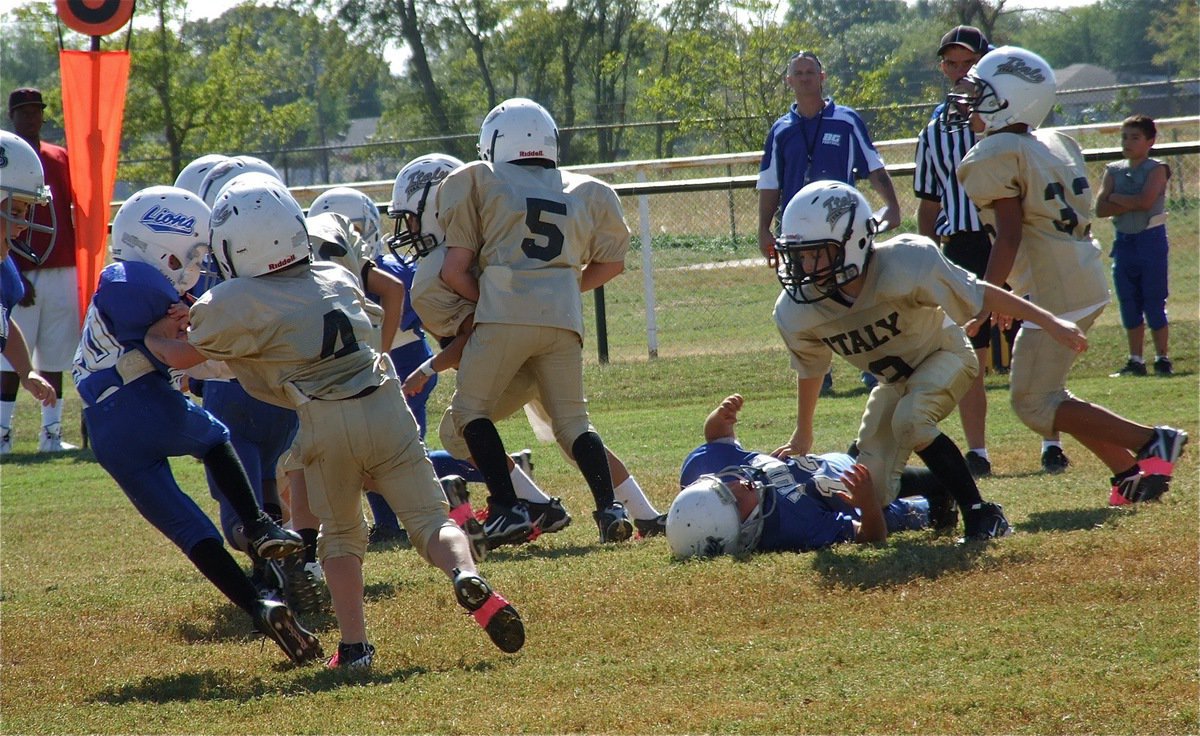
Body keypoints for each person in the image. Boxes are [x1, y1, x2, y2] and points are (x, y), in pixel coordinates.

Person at [144, 176, 524, 670]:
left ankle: (355, 649)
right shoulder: (335, 275)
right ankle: (467, 579)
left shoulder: (233, 299)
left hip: (324, 415)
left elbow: (180, 351)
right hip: (386, 402)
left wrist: (151, 334)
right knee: (432, 520)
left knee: (341, 538)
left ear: (234, 246)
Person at [72, 184, 320, 665]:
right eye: (192, 254)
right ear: (163, 243)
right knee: (215, 436)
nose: (195, 267)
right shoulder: (128, 279)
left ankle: (259, 604)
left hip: (104, 430)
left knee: (189, 531)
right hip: (138, 401)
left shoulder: (128, 284)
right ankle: (259, 523)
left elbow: (182, 351)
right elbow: (178, 347)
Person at [771, 179, 1090, 540]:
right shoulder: (799, 310)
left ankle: (981, 514)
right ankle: (940, 487)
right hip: (897, 381)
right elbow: (812, 367)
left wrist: (1049, 321)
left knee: (911, 420)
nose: (805, 267)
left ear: (855, 241)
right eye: (799, 255)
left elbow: (976, 291)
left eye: (816, 253)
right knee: (869, 491)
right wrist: (803, 431)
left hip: (945, 354)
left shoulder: (906, 262)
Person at [953, 46, 1187, 507]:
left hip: (1054, 287)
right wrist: (1015, 293)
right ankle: (1130, 474)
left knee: (1032, 402)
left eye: (980, 91)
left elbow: (1010, 237)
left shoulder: (996, 153)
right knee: (1048, 392)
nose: (968, 100)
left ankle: (1150, 440)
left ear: (1009, 99)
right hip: (1077, 274)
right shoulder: (1055, 141)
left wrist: (989, 299)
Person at [439, 98, 635, 546]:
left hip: (504, 314)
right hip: (564, 318)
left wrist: (491, 299)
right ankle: (609, 509)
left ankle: (508, 508)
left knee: (470, 413)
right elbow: (612, 264)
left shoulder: (480, 179)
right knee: (572, 421)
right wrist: (559, 288)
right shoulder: (586, 189)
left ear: (495, 143)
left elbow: (454, 270)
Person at [913, 27, 1072, 479]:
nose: (959, 72)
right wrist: (929, 253)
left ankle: (1051, 441)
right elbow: (930, 201)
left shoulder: (1017, 120)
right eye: (951, 64)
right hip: (964, 241)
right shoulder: (934, 130)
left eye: (968, 63)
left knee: (1038, 338)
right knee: (970, 347)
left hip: (1016, 238)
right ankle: (978, 450)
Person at [757, 52, 901, 393]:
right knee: (806, 300)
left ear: (822, 76)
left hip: (842, 231)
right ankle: (819, 373)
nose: (805, 77)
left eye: (811, 71)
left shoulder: (846, 120)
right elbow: (770, 183)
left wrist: (892, 206)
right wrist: (763, 228)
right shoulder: (781, 130)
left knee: (860, 294)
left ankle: (873, 366)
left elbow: (874, 167)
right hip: (798, 235)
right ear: (788, 81)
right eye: (798, 72)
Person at [666, 394, 958, 559]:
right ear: (739, 534)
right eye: (735, 498)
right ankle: (948, 501)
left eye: (723, 485)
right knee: (943, 484)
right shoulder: (794, 528)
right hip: (874, 495)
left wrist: (720, 417)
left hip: (839, 460)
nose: (737, 484)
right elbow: (869, 536)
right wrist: (869, 502)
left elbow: (716, 439)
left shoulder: (704, 476)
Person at [1, 88, 81, 453]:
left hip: (59, 267)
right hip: (23, 268)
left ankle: (50, 434)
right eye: (24, 111)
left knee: (54, 353)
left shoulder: (59, 157)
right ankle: (3, 431)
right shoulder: (10, 157)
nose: (31, 117)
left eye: (37, 111)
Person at [1095, 114, 1173, 378]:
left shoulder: (1156, 168)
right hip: (1124, 242)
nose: (1127, 142)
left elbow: (1146, 201)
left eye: (1135, 137)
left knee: (1154, 300)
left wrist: (1116, 196)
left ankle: (1162, 357)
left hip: (1150, 241)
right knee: (1129, 301)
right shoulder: (1113, 169)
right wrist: (1125, 199)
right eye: (1124, 137)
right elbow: (1100, 208)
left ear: (1150, 141)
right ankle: (1135, 359)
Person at [0, 130, 59, 410]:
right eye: (16, 212)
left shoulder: (5, 267)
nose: (23, 224)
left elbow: (2, 323)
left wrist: (26, 370)